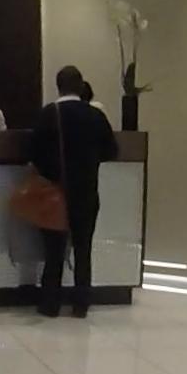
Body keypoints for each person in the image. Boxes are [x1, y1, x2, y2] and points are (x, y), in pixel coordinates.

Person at [32, 66, 118, 318]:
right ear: (81, 86)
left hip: (55, 192)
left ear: (57, 86)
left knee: (54, 251)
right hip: (87, 191)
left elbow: (34, 152)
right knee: (83, 248)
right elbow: (111, 151)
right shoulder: (95, 115)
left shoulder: (49, 114)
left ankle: (50, 303)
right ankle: (81, 303)